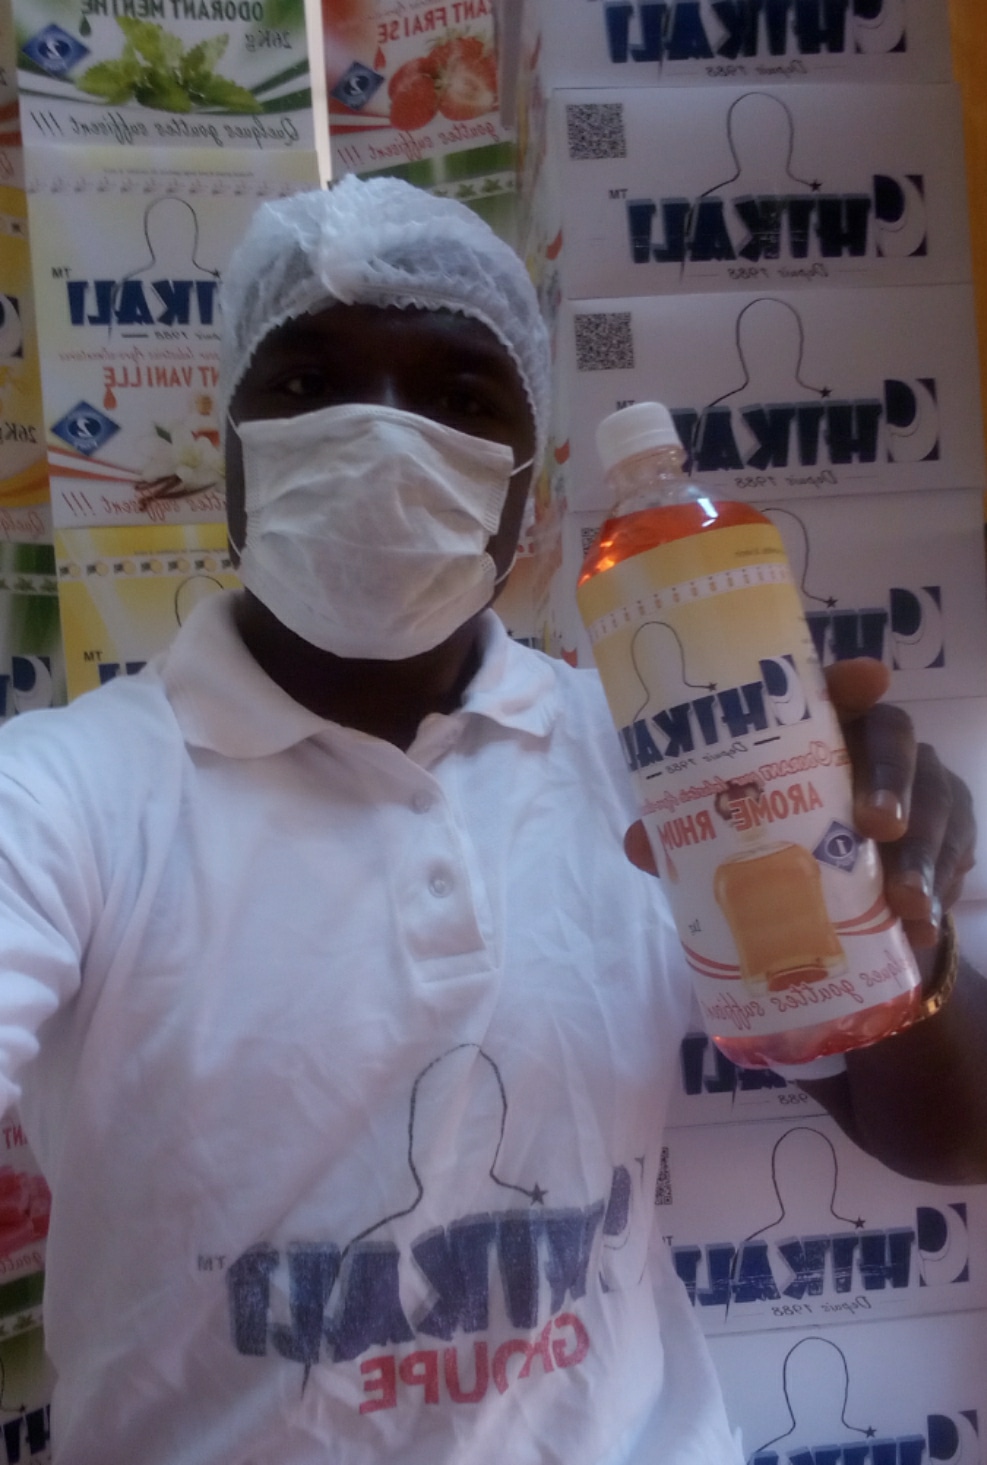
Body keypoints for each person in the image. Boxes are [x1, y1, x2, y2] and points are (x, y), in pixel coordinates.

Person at [0, 174, 983, 1463]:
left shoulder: (652, 770)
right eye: (311, 383)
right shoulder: (62, 797)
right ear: (227, 439)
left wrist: (898, 927)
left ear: (532, 481)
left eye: (461, 399)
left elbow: (950, 1132)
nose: (381, 438)